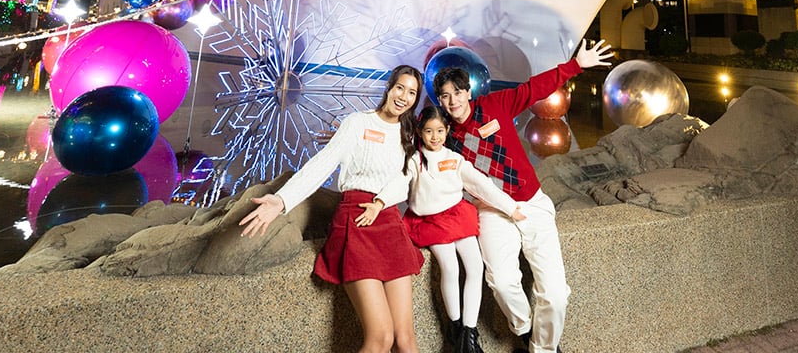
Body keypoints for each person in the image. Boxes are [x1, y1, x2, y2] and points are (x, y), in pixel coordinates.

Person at [433, 39, 614, 353]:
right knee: (501, 283)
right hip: (491, 211)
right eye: (445, 96)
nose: (453, 101)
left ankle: (543, 349)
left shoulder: (495, 105)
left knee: (556, 294)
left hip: (532, 203)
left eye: (458, 93)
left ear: (468, 92)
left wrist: (575, 66)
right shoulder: (444, 136)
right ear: (439, 99)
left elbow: (534, 89)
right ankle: (525, 331)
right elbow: (413, 151)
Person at [239, 64, 426, 353]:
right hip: (357, 221)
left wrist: (380, 203)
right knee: (381, 338)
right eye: (400, 87)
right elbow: (322, 164)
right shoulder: (357, 123)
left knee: (406, 341)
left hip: (389, 222)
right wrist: (281, 200)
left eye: (412, 93)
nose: (404, 96)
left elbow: (404, 182)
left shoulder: (408, 134)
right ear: (389, 87)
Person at [401, 103, 527, 353]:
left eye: (440, 131)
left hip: (458, 217)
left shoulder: (454, 159)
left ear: (447, 130)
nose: (434, 137)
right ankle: (456, 326)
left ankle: (469, 334)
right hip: (430, 223)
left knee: (476, 266)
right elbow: (397, 183)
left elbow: (481, 184)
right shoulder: (414, 160)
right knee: (449, 266)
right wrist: (379, 203)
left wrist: (510, 207)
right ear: (419, 131)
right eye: (428, 131)